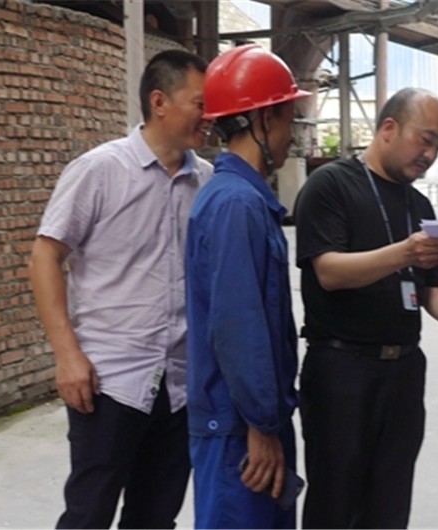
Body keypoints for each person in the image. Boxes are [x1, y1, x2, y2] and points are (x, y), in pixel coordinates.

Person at [294, 87, 438, 529]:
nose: (430, 155)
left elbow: (434, 293)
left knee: (390, 503)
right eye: (425, 140)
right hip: (342, 369)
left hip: (403, 372)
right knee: (335, 500)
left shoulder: (418, 205)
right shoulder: (331, 185)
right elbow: (329, 272)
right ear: (389, 128)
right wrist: (405, 252)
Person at [28, 49, 212, 529]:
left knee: (156, 517)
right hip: (109, 380)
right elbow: (45, 257)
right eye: (200, 103)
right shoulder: (100, 170)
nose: (209, 116)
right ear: (159, 102)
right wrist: (67, 356)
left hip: (178, 383)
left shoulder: (206, 182)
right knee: (89, 514)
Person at [183, 44, 309, 529]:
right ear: (263, 117)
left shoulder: (240, 198)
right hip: (239, 431)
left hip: (245, 422)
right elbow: (238, 327)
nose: (291, 134)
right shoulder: (237, 204)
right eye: (288, 118)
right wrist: (261, 425)